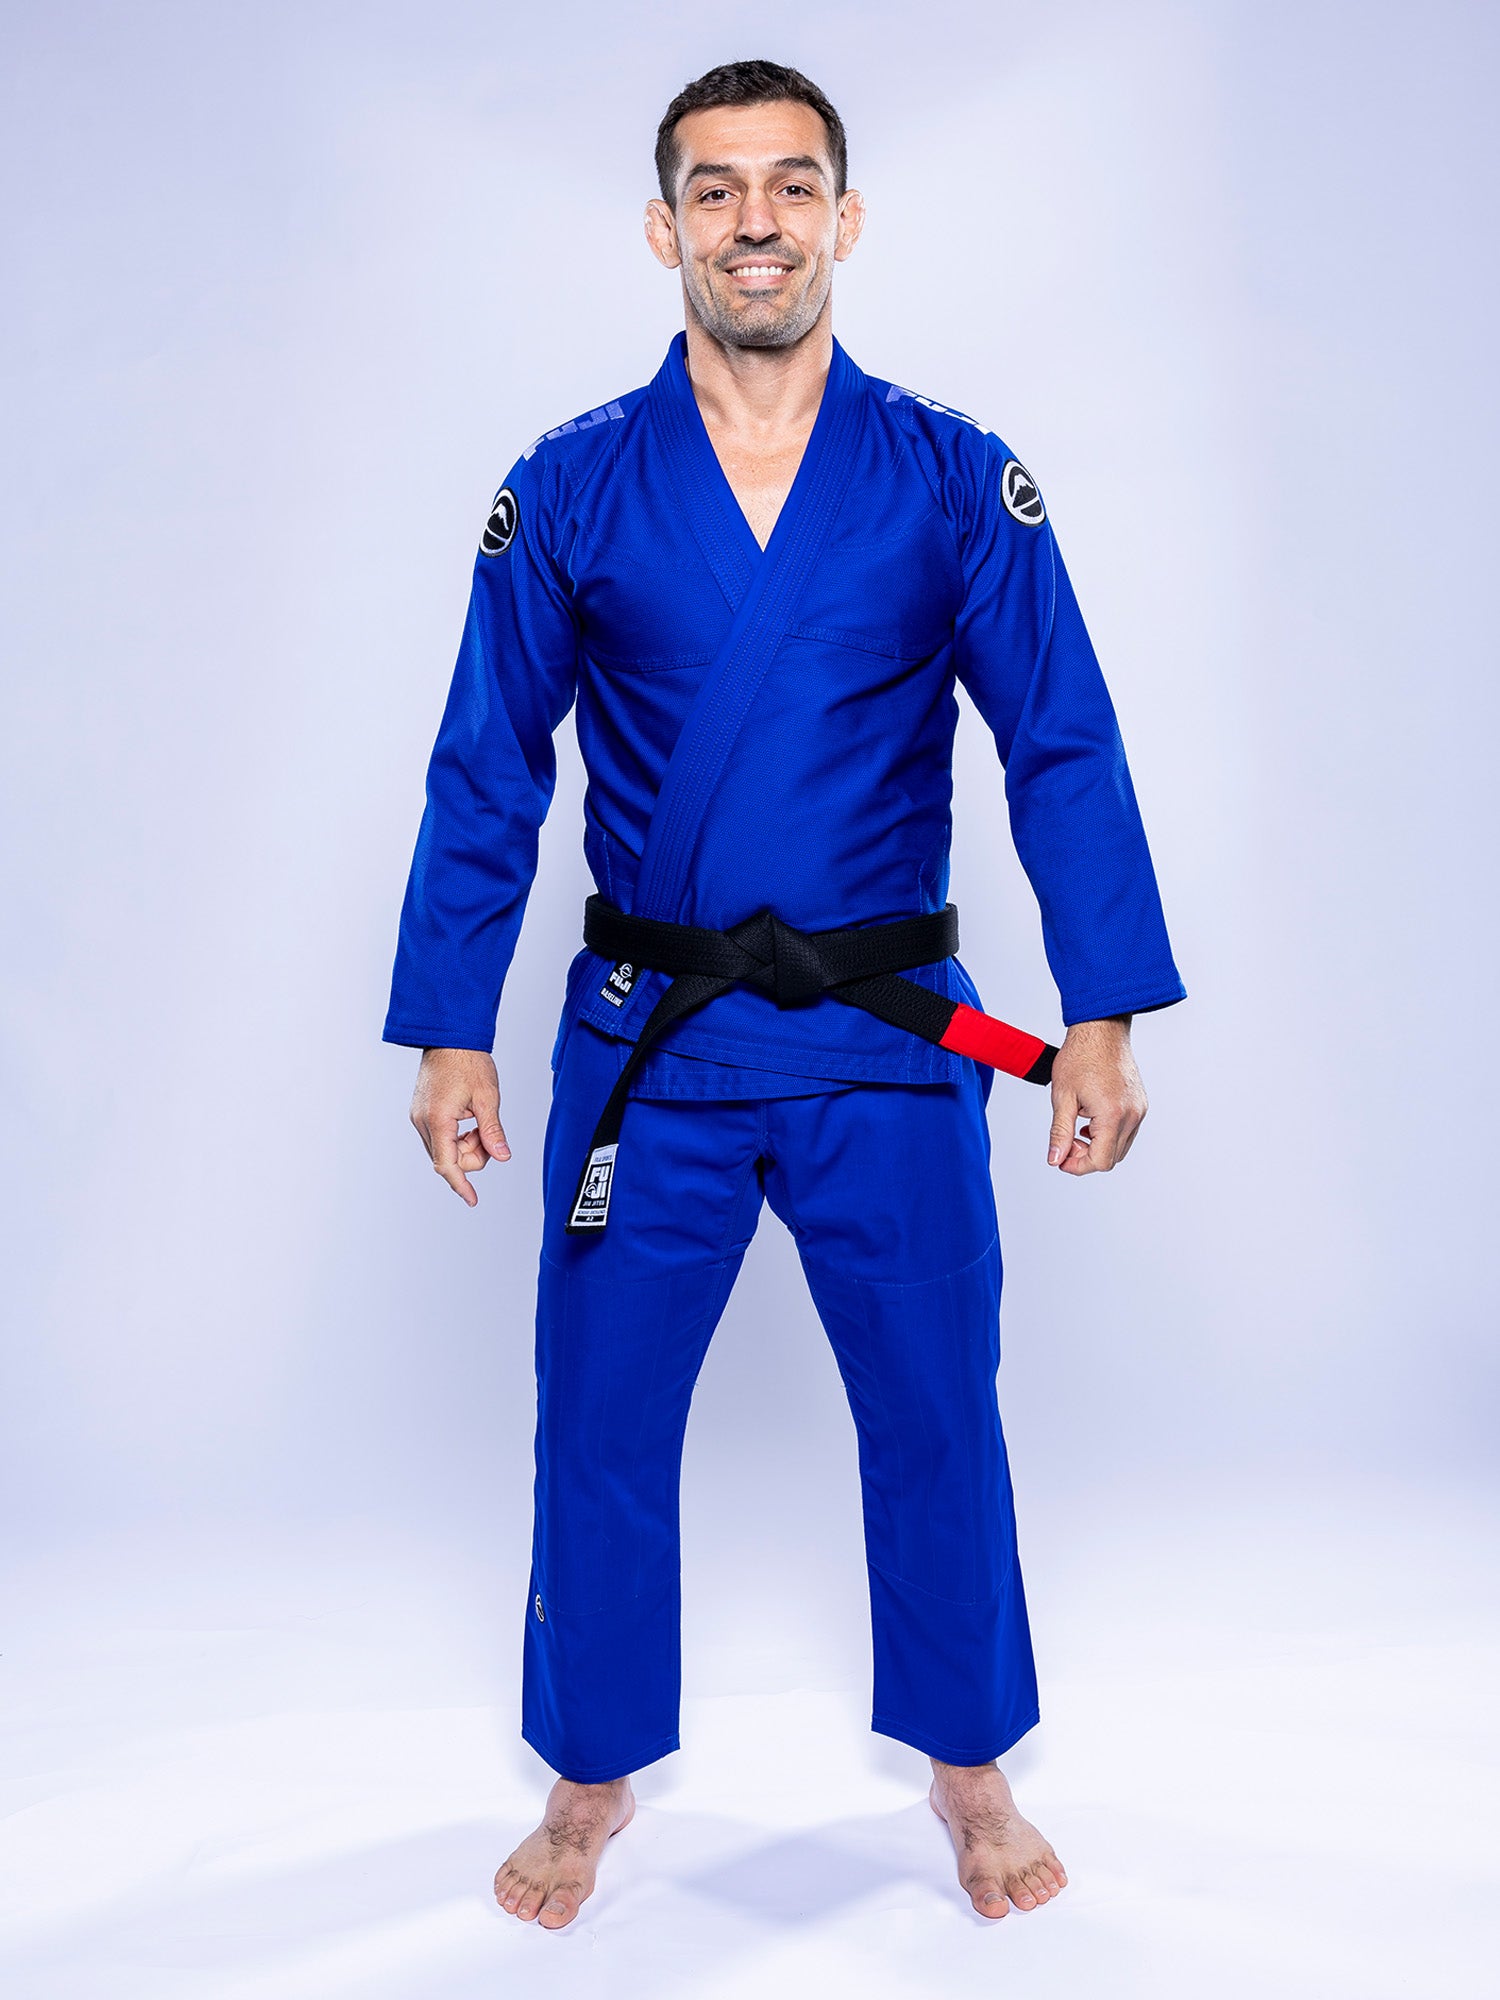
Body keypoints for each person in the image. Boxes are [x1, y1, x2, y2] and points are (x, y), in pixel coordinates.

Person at [384, 58, 1184, 1930]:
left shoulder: (949, 477)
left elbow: (1059, 743)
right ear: (666, 228)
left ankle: (970, 1767)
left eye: (794, 185)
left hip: (884, 1043)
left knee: (933, 1408)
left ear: (844, 218)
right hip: (647, 1050)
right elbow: (485, 766)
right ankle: (589, 1779)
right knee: (596, 1411)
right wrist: (445, 1031)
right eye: (719, 189)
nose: (758, 219)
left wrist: (1102, 1009)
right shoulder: (569, 486)